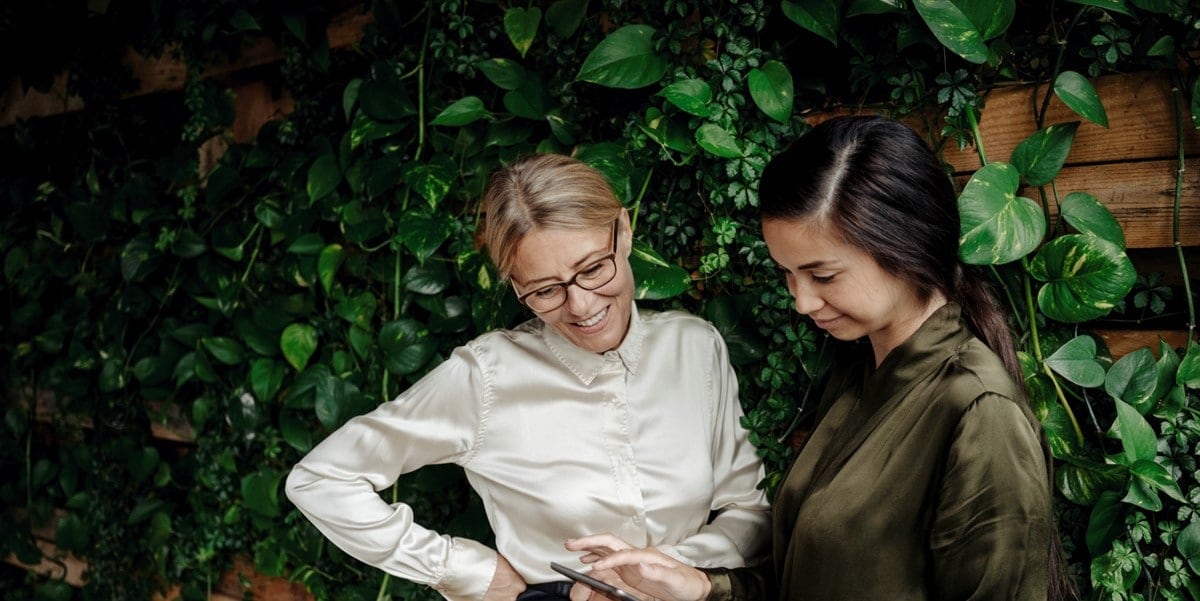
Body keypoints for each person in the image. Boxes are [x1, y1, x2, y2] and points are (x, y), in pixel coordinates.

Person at [565, 115, 1073, 600]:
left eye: (823, 276)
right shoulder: (857, 380)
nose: (802, 302)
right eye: (788, 275)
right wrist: (698, 587)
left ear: (905, 246)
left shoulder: (979, 411)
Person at [284, 153, 771, 601]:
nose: (581, 306)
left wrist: (669, 569)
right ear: (515, 285)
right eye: (545, 291)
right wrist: (468, 570)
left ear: (623, 231)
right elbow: (322, 479)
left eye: (594, 268)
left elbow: (750, 511)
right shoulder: (486, 376)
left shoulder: (695, 346)